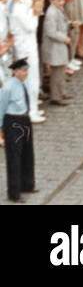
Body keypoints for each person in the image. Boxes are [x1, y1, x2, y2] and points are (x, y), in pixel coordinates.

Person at [1, 59, 36, 203]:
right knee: (14, 156)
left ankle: (27, 184)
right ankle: (14, 192)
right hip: (13, 121)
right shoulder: (7, 87)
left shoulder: (25, 83)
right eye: (23, 70)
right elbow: (1, 108)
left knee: (28, 152)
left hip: (25, 119)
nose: (25, 73)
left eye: (26, 70)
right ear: (14, 72)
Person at [40, 0, 72, 107]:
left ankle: (62, 92)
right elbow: (51, 32)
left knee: (62, 71)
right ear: (51, 0)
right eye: (59, 0)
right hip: (54, 47)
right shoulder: (51, 13)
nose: (61, 3)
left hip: (59, 46)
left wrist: (71, 24)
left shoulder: (59, 9)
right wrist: (64, 38)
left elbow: (63, 22)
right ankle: (56, 96)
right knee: (57, 73)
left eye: (62, 0)